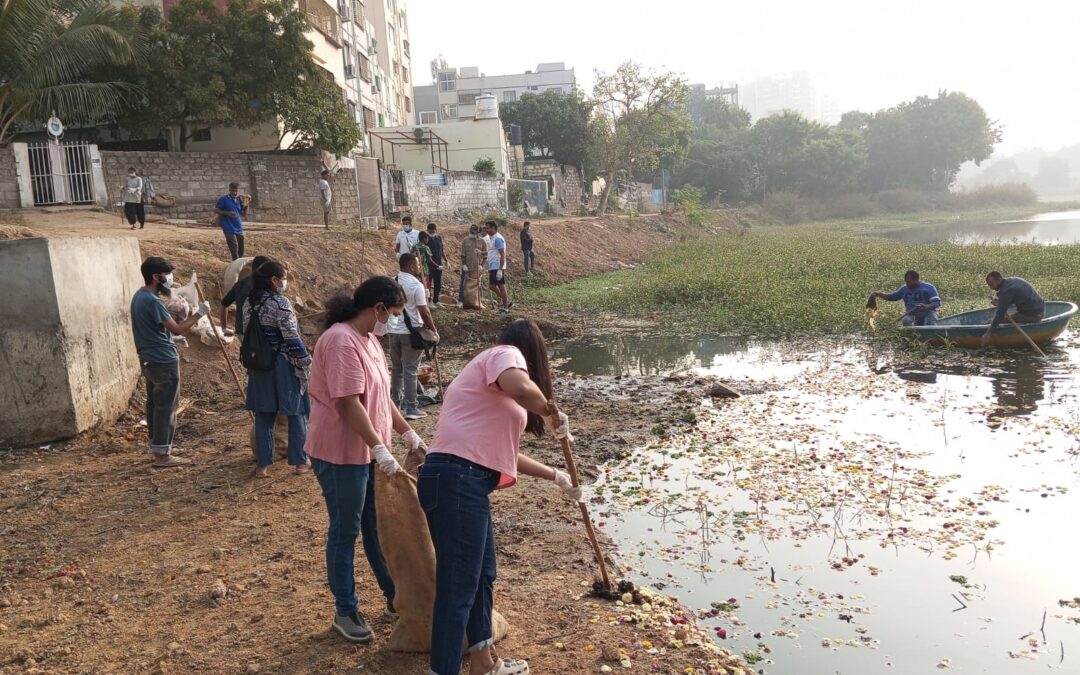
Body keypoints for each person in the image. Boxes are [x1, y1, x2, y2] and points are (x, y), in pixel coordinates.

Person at [418, 319, 580, 675]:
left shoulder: (489, 386)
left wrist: (557, 476)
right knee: (458, 585)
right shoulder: (504, 354)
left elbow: (506, 452)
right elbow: (522, 389)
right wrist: (550, 411)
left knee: (482, 574)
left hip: (464, 481)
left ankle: (483, 663)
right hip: (456, 479)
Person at [305, 276, 430, 643]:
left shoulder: (370, 341)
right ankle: (346, 610)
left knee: (377, 527)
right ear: (376, 308)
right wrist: (378, 447)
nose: (392, 321)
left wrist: (407, 432)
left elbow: (381, 396)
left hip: (370, 452)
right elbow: (347, 402)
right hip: (341, 453)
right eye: (391, 313)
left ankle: (395, 597)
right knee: (345, 530)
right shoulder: (341, 341)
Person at [130, 257, 210, 468]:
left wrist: (170, 338)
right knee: (166, 406)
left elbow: (155, 329)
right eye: (167, 275)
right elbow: (177, 327)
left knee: (155, 404)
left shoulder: (140, 296)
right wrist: (199, 314)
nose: (170, 279)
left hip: (149, 358)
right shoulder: (153, 301)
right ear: (156, 277)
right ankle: (163, 455)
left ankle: (159, 446)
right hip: (162, 360)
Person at [241, 261, 312, 477]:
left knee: (264, 414)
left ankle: (263, 465)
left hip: (259, 365)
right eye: (284, 278)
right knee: (296, 412)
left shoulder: (248, 303)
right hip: (284, 363)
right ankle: (300, 462)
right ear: (274, 280)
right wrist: (307, 360)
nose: (285, 282)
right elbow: (291, 336)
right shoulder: (280, 303)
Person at [388, 253, 437, 420]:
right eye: (417, 264)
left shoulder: (391, 281)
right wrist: (433, 330)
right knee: (410, 370)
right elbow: (424, 311)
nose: (419, 267)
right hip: (411, 333)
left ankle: (395, 406)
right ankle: (411, 408)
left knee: (396, 369)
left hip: (393, 330)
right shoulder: (416, 285)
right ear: (411, 266)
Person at [981, 272, 1046, 347]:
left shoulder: (1006, 290)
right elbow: (1015, 298)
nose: (991, 288)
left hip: (1033, 316)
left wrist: (988, 333)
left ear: (999, 279)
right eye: (989, 286)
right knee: (1000, 319)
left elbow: (1000, 314)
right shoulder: (1012, 281)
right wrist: (1000, 303)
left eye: (992, 284)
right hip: (1040, 309)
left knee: (992, 322)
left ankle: (986, 328)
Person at [220, 255, 271, 337]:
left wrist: (224, 328)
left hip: (242, 331)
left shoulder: (240, 284)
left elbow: (224, 304)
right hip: (259, 333)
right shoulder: (265, 286)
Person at [871, 270, 940, 326]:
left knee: (929, 323)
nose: (907, 284)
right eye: (906, 282)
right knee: (906, 321)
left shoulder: (928, 288)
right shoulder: (904, 289)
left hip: (928, 313)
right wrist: (879, 294)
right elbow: (892, 297)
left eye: (909, 282)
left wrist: (926, 306)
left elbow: (937, 302)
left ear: (916, 280)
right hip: (912, 314)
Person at [215, 182, 247, 261]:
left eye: (236, 191)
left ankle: (238, 265)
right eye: (233, 191)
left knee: (241, 248)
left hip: (238, 226)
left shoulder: (239, 199)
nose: (235, 193)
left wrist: (247, 205)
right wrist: (227, 213)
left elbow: (244, 214)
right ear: (229, 190)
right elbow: (216, 210)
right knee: (234, 248)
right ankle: (235, 265)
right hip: (228, 226)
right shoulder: (224, 199)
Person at [485, 220, 512, 313]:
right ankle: (507, 301)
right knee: (492, 286)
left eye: (488, 228)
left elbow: (502, 254)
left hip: (497, 266)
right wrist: (481, 252)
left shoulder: (497, 238)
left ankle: (506, 307)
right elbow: (492, 251)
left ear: (493, 228)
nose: (486, 230)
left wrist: (500, 269)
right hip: (493, 266)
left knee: (501, 286)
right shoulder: (492, 238)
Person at [459, 223, 487, 307]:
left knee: (478, 285)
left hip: (477, 268)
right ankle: (462, 301)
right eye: (471, 232)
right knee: (464, 285)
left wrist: (481, 265)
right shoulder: (465, 240)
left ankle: (478, 301)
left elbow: (485, 255)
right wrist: (464, 265)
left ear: (478, 232)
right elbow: (462, 255)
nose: (471, 234)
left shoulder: (482, 242)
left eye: (474, 232)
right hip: (467, 267)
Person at [426, 222, 445, 307]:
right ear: (427, 230)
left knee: (438, 283)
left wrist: (446, 261)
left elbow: (441, 251)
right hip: (429, 266)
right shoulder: (425, 239)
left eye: (433, 232)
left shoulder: (438, 238)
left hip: (438, 264)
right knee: (429, 284)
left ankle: (436, 300)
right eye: (430, 232)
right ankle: (429, 301)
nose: (432, 234)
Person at [414, 231, 435, 297]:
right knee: (426, 286)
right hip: (424, 270)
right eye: (427, 238)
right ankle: (426, 301)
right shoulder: (426, 248)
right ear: (424, 239)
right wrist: (437, 266)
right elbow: (430, 260)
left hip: (415, 269)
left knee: (417, 285)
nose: (428, 240)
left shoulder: (414, 246)